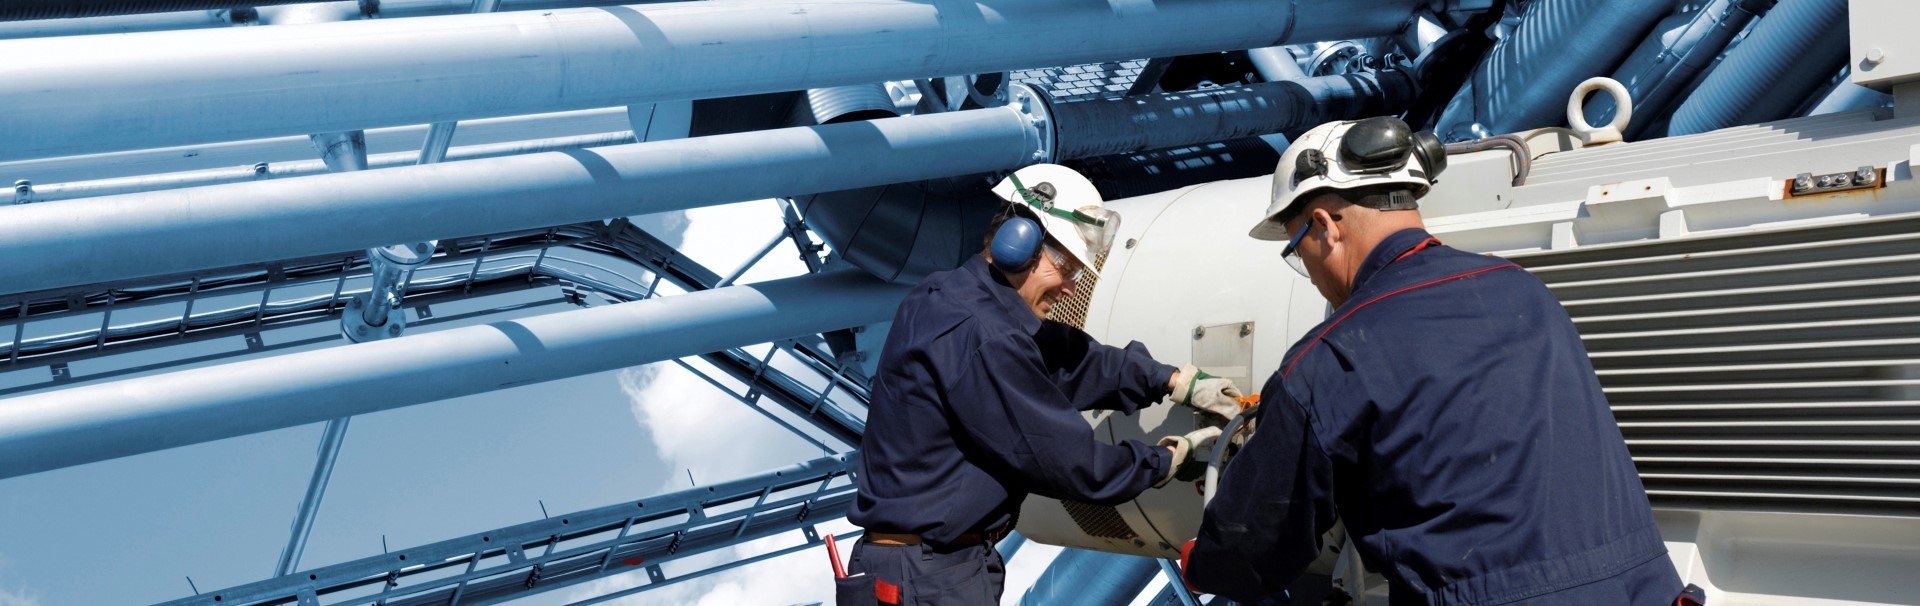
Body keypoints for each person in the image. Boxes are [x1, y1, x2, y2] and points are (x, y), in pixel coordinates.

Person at [1180, 117, 1687, 605]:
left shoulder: (1328, 361)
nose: (1309, 272)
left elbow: (1255, 551)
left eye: (1296, 250)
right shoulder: (1525, 291)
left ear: (1323, 226)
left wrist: (1203, 563)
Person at [841, 164, 1244, 605]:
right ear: (1019, 242)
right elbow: (1073, 464)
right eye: (1065, 267)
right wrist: (1170, 459)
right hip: (929, 576)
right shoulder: (982, 334)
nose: (1070, 289)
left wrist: (1171, 379)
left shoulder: (954, 297)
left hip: (924, 569)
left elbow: (1072, 360)